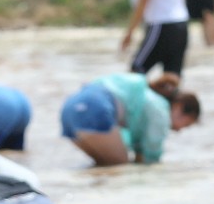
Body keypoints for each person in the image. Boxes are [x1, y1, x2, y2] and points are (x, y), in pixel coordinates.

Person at [59, 71, 198, 166]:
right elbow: (152, 155)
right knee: (122, 170)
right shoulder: (160, 108)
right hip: (96, 108)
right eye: (186, 124)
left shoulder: (142, 92)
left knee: (103, 169)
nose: (180, 130)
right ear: (179, 107)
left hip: (69, 108)